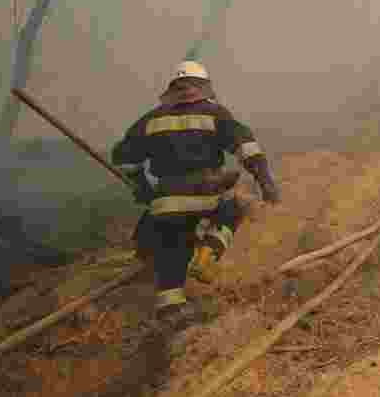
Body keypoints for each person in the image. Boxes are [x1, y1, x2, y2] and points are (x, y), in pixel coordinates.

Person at [112, 60, 280, 328]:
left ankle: (171, 308)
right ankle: (208, 253)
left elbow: (123, 159)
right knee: (233, 209)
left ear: (173, 88)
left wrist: (142, 188)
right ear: (204, 86)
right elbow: (245, 147)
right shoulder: (215, 114)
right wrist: (265, 180)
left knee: (172, 249)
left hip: (166, 201)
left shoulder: (152, 119)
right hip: (206, 195)